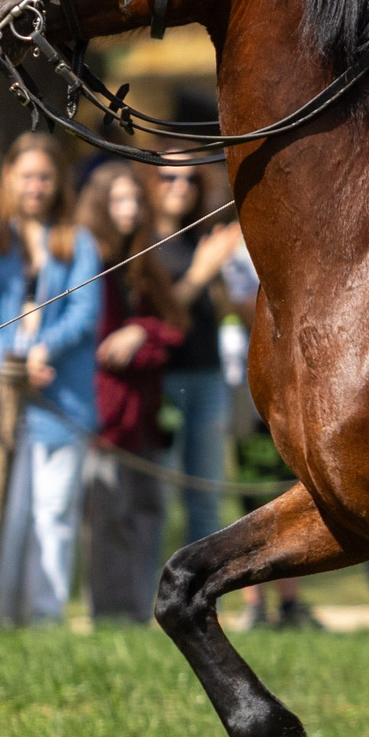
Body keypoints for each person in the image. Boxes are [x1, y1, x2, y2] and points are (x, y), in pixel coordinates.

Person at [0, 134, 102, 627]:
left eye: (45, 176)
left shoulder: (78, 242)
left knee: (54, 514)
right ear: (9, 179)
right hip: (4, 399)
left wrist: (45, 351)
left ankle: (44, 618)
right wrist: (9, 363)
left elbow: (86, 312)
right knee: (7, 512)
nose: (36, 186)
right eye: (27, 176)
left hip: (61, 400)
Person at [74, 164, 187, 626]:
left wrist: (141, 332)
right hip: (104, 416)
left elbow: (176, 327)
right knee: (108, 516)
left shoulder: (144, 261)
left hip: (146, 414)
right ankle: (109, 613)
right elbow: (102, 347)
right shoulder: (89, 264)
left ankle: (139, 611)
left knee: (149, 511)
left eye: (135, 201)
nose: (129, 210)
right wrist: (142, 344)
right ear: (100, 205)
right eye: (119, 200)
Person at [149, 165, 244, 549]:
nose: (180, 186)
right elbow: (159, 316)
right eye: (169, 177)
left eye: (189, 179)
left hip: (209, 378)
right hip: (163, 382)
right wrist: (201, 272)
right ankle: (145, 597)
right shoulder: (144, 243)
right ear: (151, 184)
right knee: (159, 496)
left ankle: (202, 596)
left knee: (207, 498)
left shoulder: (201, 239)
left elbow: (220, 312)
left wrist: (219, 274)